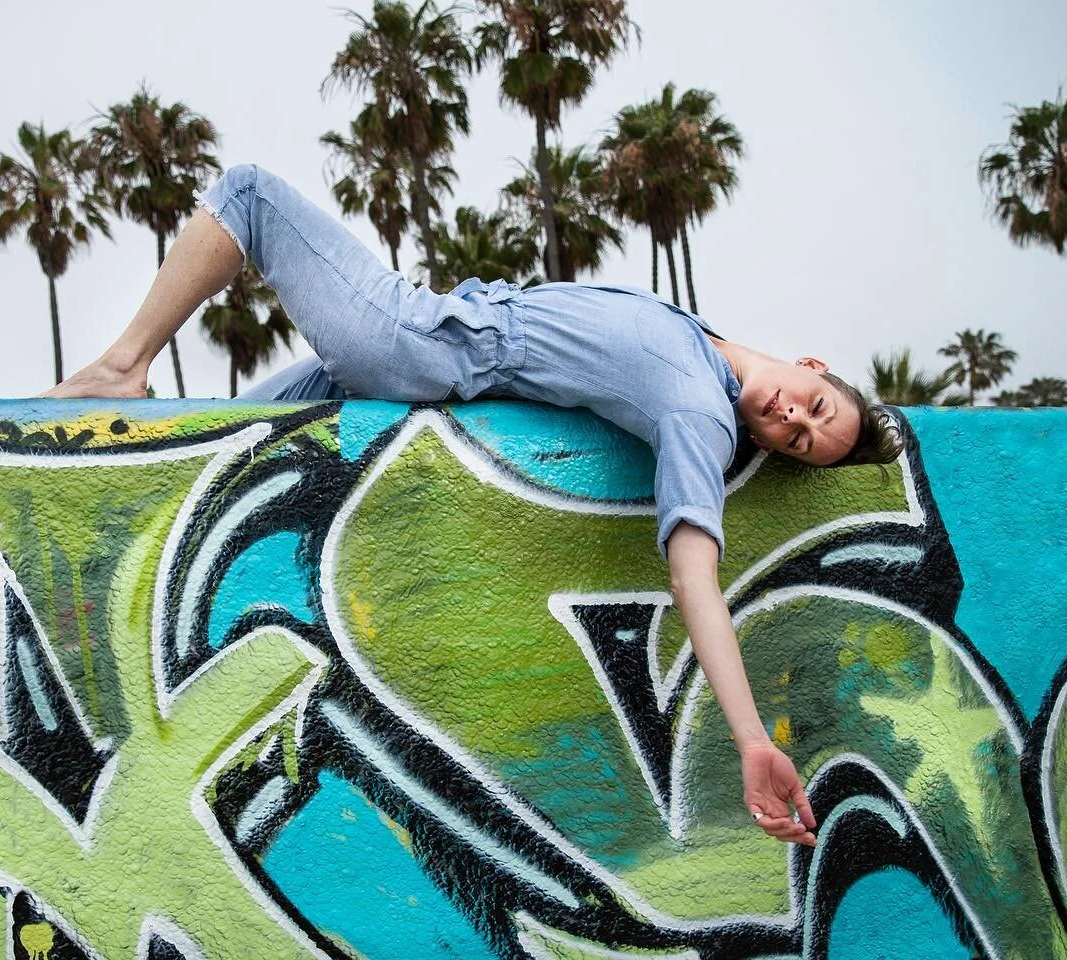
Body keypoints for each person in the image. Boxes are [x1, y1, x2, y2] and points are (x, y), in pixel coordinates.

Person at [48, 164, 904, 848]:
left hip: (417, 346)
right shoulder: (702, 345)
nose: (791, 419)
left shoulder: (698, 418)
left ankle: (124, 363)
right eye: (812, 409)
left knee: (248, 195)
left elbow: (694, 577)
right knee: (208, 469)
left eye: (798, 442)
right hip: (400, 368)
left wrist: (753, 740)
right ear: (813, 367)